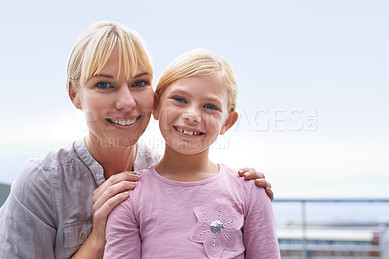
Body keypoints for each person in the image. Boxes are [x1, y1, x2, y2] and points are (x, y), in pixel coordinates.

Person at [0, 22, 274, 258]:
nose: (127, 102)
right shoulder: (41, 182)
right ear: (74, 94)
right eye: (104, 84)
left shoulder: (168, 173)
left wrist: (246, 192)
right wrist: (97, 238)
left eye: (139, 83)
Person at [104, 49, 280, 258]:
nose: (192, 115)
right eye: (179, 99)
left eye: (209, 106)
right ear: (156, 106)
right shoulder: (129, 197)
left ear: (227, 122)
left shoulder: (250, 192)